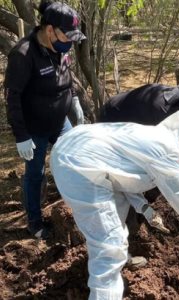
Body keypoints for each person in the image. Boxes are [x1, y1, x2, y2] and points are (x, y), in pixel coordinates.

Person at [50, 111, 179, 299]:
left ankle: (122, 259)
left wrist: (145, 208)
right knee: (109, 245)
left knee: (118, 211)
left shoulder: (157, 136)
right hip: (79, 167)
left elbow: (123, 176)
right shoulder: (167, 153)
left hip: (74, 150)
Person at [4, 0, 86, 239]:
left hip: (60, 122)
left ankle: (77, 209)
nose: (70, 43)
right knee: (35, 174)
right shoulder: (23, 55)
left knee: (75, 161)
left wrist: (75, 100)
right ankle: (35, 223)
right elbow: (12, 97)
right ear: (49, 29)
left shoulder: (60, 49)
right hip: (35, 128)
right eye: (67, 36)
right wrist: (21, 136)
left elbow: (66, 78)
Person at [99, 76, 179, 212]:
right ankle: (141, 202)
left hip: (137, 126)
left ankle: (152, 195)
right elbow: (177, 156)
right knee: (159, 169)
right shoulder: (162, 111)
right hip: (112, 126)